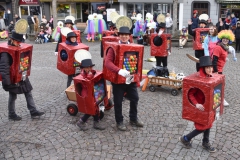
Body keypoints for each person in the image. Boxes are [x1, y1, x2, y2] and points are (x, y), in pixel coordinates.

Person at [104, 26, 144, 131]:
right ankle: (119, 121)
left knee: (135, 98)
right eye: (122, 35)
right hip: (118, 79)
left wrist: (136, 74)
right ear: (119, 35)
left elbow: (137, 61)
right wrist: (119, 70)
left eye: (126, 35)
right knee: (118, 101)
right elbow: (107, 63)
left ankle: (133, 118)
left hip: (130, 78)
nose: (124, 37)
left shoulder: (133, 46)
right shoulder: (114, 47)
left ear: (129, 36)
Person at [0, 31, 45, 121]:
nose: (18, 43)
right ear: (11, 40)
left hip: (22, 75)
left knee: (28, 92)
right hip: (12, 79)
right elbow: (4, 69)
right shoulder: (6, 53)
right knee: (13, 96)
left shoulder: (18, 47)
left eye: (20, 42)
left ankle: (33, 111)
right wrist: (7, 83)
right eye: (17, 41)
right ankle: (11, 114)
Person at [179, 56, 217, 153]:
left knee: (209, 124)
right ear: (203, 68)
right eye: (207, 67)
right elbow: (190, 93)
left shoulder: (210, 77)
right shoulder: (199, 80)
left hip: (209, 107)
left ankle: (205, 142)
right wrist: (196, 104)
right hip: (201, 108)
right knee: (202, 128)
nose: (210, 69)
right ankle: (186, 138)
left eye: (211, 67)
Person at [76, 59, 106, 131]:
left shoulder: (91, 72)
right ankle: (81, 121)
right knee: (91, 109)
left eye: (90, 67)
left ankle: (96, 121)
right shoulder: (82, 75)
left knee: (94, 107)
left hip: (93, 92)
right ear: (83, 68)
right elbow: (87, 83)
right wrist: (90, 76)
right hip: (86, 94)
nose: (88, 69)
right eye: (87, 67)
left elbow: (96, 78)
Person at [212, 30, 237, 106]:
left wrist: (225, 59)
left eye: (227, 39)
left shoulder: (225, 48)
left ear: (229, 40)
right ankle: (220, 100)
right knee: (219, 85)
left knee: (218, 85)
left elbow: (222, 56)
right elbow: (214, 60)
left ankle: (217, 99)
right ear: (221, 39)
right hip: (217, 70)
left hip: (220, 69)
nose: (225, 40)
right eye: (224, 38)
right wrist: (216, 71)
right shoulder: (218, 47)